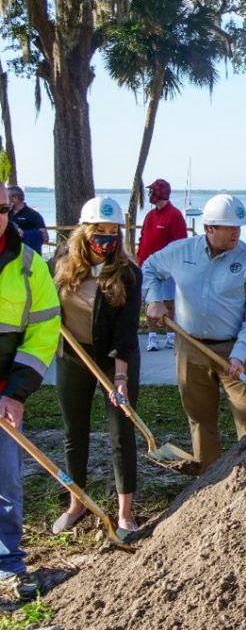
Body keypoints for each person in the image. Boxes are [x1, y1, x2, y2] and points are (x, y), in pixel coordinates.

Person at [142, 194, 246, 472]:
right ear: (210, 227)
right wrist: (153, 299)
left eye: (239, 226)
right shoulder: (181, 252)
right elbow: (150, 267)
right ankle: (210, 478)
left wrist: (239, 354)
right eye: (230, 227)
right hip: (190, 347)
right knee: (200, 417)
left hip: (235, 349)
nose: (237, 232)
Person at [52, 196, 141, 537]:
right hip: (73, 356)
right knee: (75, 432)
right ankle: (76, 504)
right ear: (84, 231)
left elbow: (126, 329)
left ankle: (124, 514)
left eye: (113, 230)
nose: (107, 238)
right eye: (99, 231)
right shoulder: (61, 262)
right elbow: (45, 301)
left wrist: (120, 377)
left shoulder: (129, 273)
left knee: (121, 433)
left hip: (114, 359)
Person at [0, 181, 60, 601]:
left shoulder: (28, 265)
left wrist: (15, 393)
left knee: (6, 480)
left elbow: (42, 335)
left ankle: (6, 562)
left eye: (0, 209)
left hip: (4, 391)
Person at [137, 179, 188, 351]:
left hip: (167, 270)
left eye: (153, 191)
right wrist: (139, 261)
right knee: (151, 302)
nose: (150, 195)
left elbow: (180, 244)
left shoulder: (174, 215)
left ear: (161, 192)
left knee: (168, 302)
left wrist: (175, 267)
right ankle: (152, 337)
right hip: (147, 268)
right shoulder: (150, 216)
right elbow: (143, 239)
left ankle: (171, 335)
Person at [7, 185, 48, 253]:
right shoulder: (5, 214)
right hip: (8, 254)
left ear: (15, 198)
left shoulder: (34, 215)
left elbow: (45, 238)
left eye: (7, 197)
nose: (5, 200)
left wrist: (24, 234)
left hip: (28, 255)